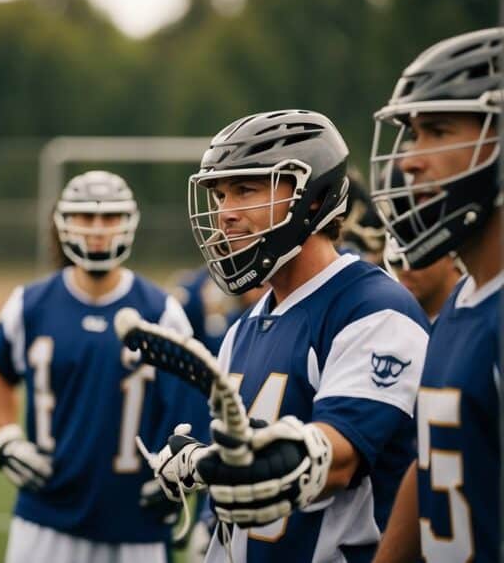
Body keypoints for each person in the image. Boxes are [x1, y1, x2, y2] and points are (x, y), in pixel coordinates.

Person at [148, 110, 429, 562]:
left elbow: (334, 459)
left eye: (245, 189)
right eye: (220, 195)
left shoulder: (374, 310)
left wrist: (213, 463)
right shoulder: (246, 326)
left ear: (313, 199)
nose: (225, 215)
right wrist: (206, 461)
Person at [0, 170, 208, 563]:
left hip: (137, 517)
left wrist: (180, 474)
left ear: (129, 223)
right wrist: (7, 436)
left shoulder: (160, 311)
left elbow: (193, 404)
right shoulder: (31, 304)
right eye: (87, 217)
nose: (98, 229)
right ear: (64, 223)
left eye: (110, 217)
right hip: (45, 513)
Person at [370, 27, 501, 563]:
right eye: (412, 135)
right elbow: (433, 465)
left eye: (437, 130)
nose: (409, 160)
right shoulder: (464, 301)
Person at [382, 235, 464, 321]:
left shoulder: (475, 310)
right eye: (397, 264)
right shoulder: (396, 326)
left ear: (449, 256)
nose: (404, 271)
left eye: (415, 258)